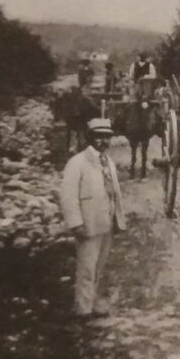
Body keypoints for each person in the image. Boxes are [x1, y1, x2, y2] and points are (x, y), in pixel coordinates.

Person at [59, 118, 126, 320]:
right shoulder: (77, 162)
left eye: (106, 137)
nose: (103, 141)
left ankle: (91, 302)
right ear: (90, 139)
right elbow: (67, 195)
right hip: (88, 223)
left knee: (98, 267)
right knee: (86, 268)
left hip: (105, 222)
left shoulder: (109, 162)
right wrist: (75, 222)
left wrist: (118, 218)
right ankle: (82, 310)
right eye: (99, 137)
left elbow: (115, 192)